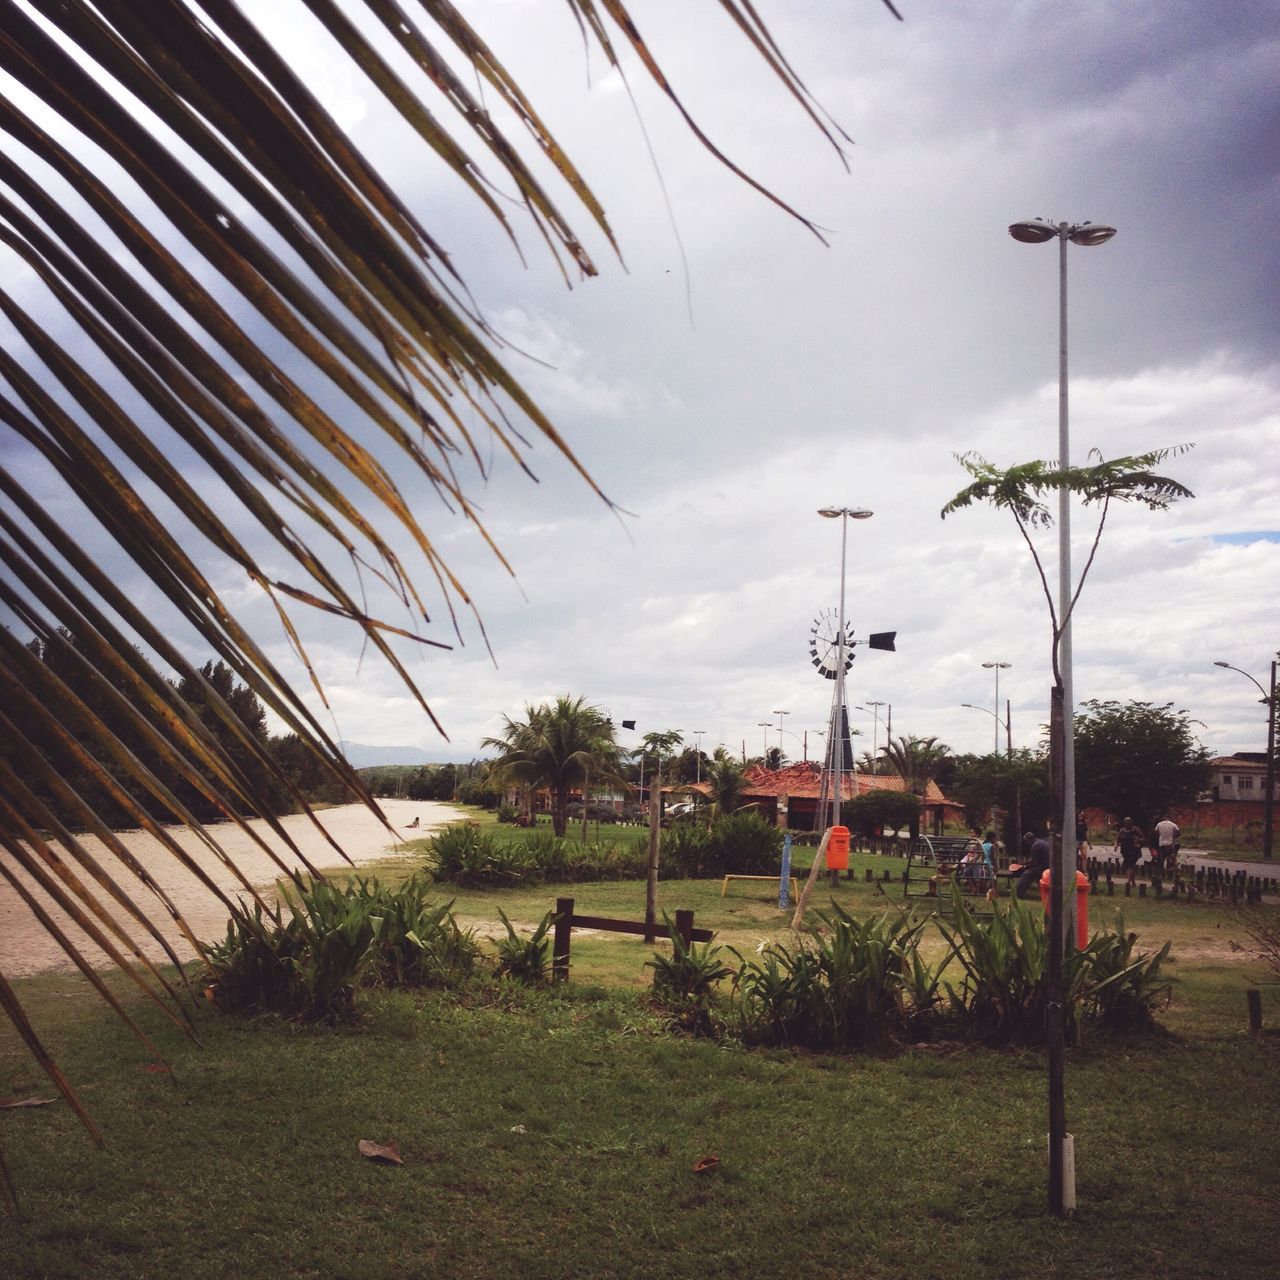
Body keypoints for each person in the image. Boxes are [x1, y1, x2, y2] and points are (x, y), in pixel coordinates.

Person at [1017, 829, 1050, 899]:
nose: (1026, 843)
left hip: (1042, 867)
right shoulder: (1041, 842)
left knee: (1026, 875)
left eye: (1026, 841)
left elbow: (1034, 863)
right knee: (1039, 879)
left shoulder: (1035, 846)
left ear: (1030, 839)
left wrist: (1025, 866)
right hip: (1048, 866)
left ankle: (1018, 894)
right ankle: (1045, 895)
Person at [1115, 816, 1143, 886]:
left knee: (1131, 865)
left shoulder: (1136, 829)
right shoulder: (1122, 830)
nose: (1127, 824)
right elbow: (1118, 838)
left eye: (1128, 822)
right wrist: (1116, 845)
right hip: (1125, 850)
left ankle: (1128, 881)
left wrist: (1138, 841)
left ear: (1131, 823)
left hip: (1134, 850)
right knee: (1128, 865)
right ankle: (1133, 881)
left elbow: (1143, 838)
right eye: (1125, 823)